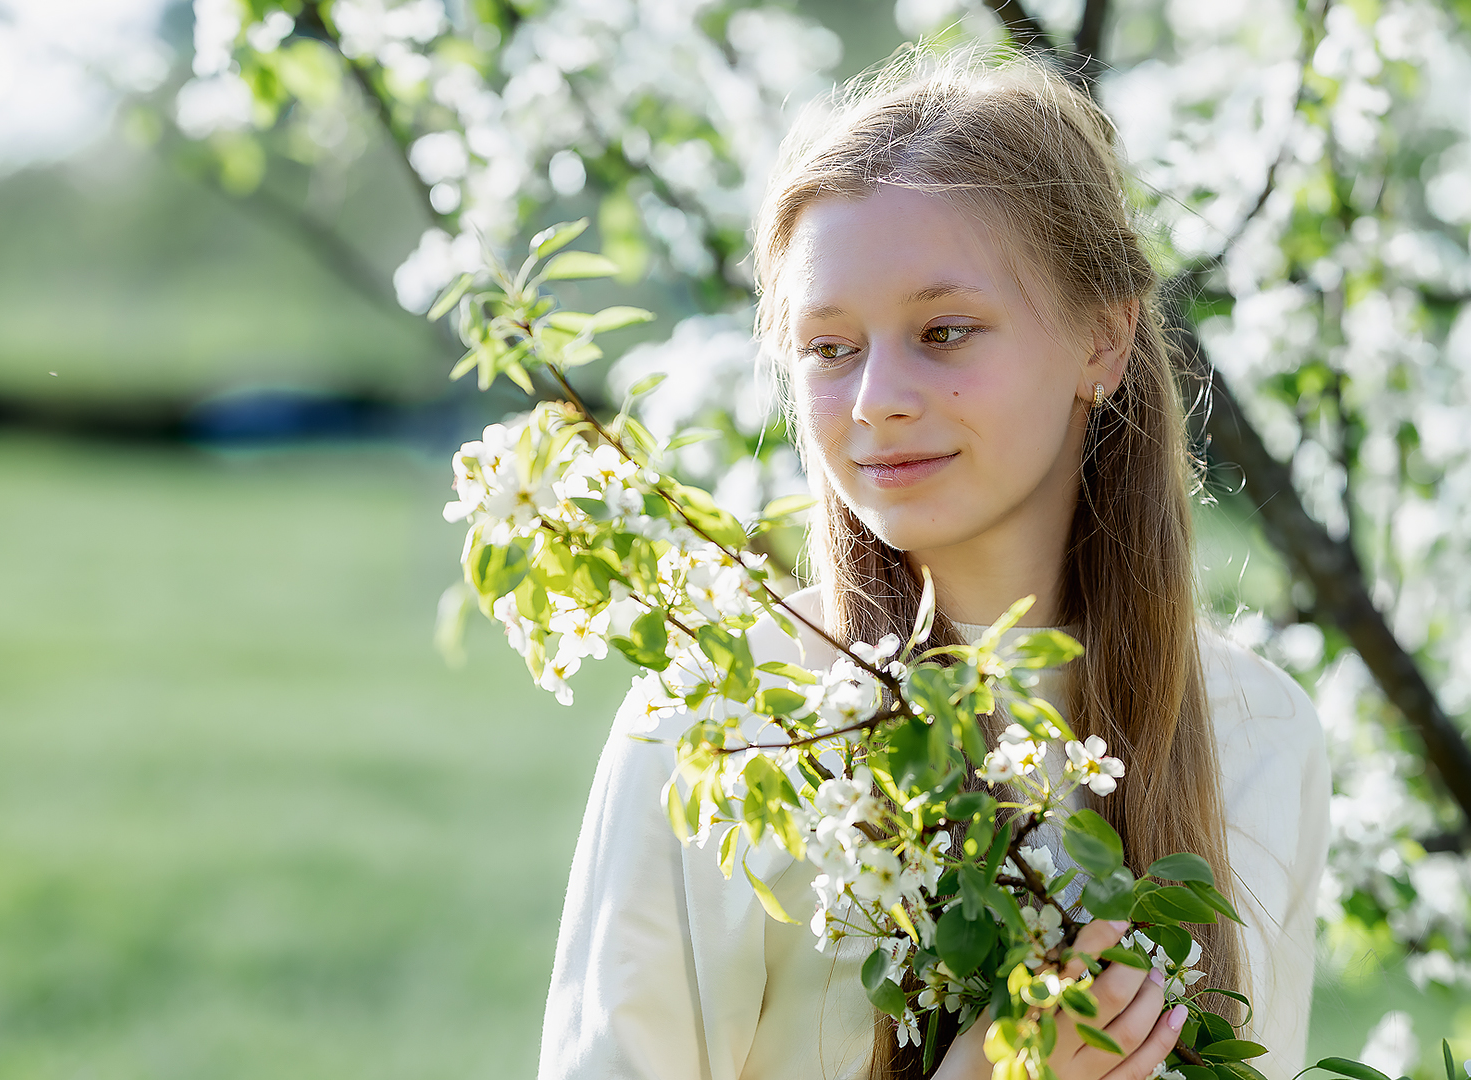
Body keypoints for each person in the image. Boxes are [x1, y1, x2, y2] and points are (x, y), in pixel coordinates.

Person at [538, 46, 1330, 1080]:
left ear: (1103, 337)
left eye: (944, 331)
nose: (876, 400)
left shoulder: (1257, 734)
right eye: (830, 348)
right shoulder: (728, 723)